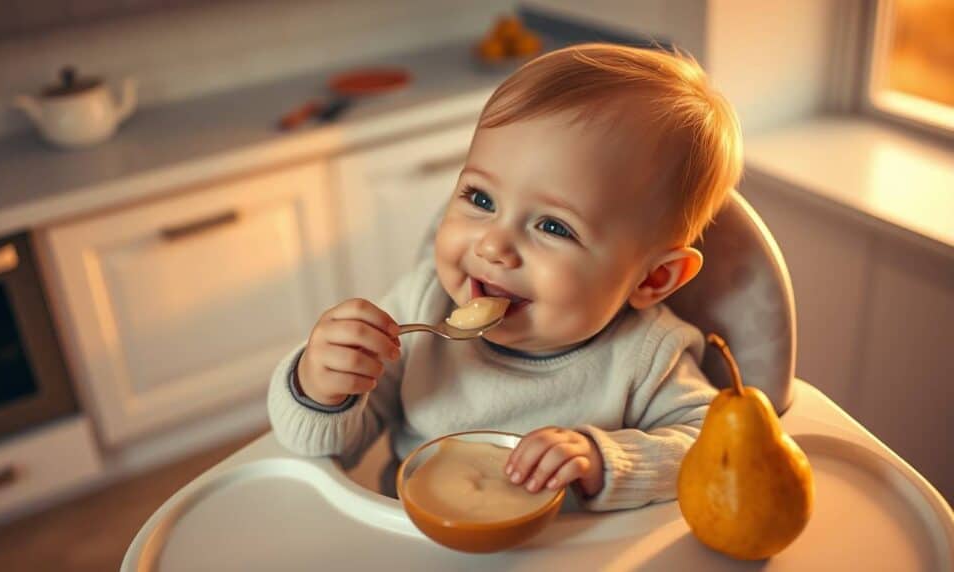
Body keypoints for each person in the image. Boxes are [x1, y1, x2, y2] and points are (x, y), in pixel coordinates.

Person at [267, 42, 743, 510]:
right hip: (421, 539)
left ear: (652, 280)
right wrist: (321, 386)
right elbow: (327, 447)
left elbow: (718, 450)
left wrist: (604, 460)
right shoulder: (420, 308)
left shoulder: (646, 356)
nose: (492, 245)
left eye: (553, 227)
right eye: (480, 199)